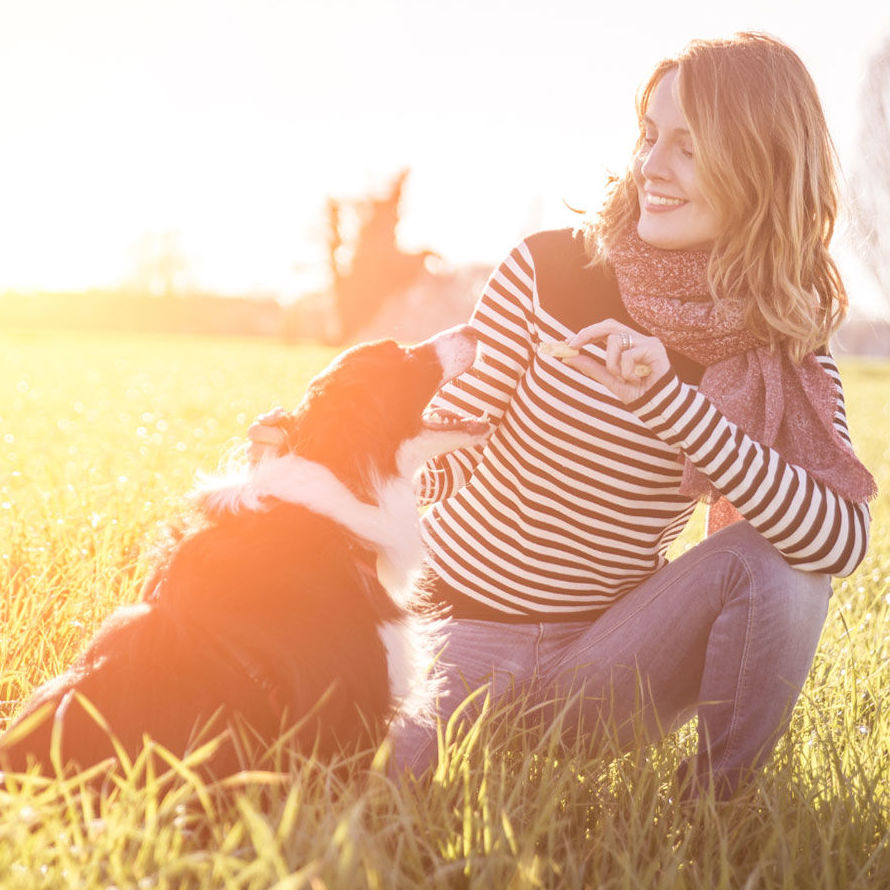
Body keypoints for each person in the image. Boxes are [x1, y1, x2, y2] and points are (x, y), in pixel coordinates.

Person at [250, 32, 875, 800]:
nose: (652, 166)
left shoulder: (783, 343)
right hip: (455, 641)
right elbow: (453, 450)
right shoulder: (551, 271)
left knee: (780, 560)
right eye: (651, 135)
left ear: (760, 162)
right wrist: (319, 464)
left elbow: (838, 540)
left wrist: (670, 406)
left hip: (605, 668)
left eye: (687, 145)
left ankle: (717, 814)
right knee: (352, 799)